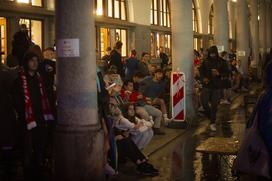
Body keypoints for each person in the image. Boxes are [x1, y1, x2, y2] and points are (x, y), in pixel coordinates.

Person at [11, 52, 55, 181]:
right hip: (27, 120)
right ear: (26, 63)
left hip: (40, 119)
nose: (35, 63)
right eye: (32, 60)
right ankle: (28, 175)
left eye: (36, 60)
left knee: (39, 147)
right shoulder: (19, 81)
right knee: (27, 150)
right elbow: (16, 100)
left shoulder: (40, 79)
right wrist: (22, 112)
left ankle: (37, 172)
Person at [109, 103, 159, 176]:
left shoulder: (117, 119)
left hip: (120, 144)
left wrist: (122, 135)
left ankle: (142, 161)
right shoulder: (112, 120)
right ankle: (140, 163)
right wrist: (118, 136)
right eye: (113, 107)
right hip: (113, 148)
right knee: (126, 141)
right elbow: (109, 136)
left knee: (127, 140)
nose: (116, 109)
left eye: (116, 107)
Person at [199, 46, 229, 131]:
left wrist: (218, 73)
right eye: (211, 54)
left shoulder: (222, 62)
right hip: (207, 85)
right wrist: (203, 78)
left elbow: (227, 73)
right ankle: (211, 116)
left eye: (213, 53)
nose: (212, 55)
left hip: (216, 86)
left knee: (214, 105)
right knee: (204, 103)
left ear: (216, 53)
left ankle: (212, 122)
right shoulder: (205, 61)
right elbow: (201, 72)